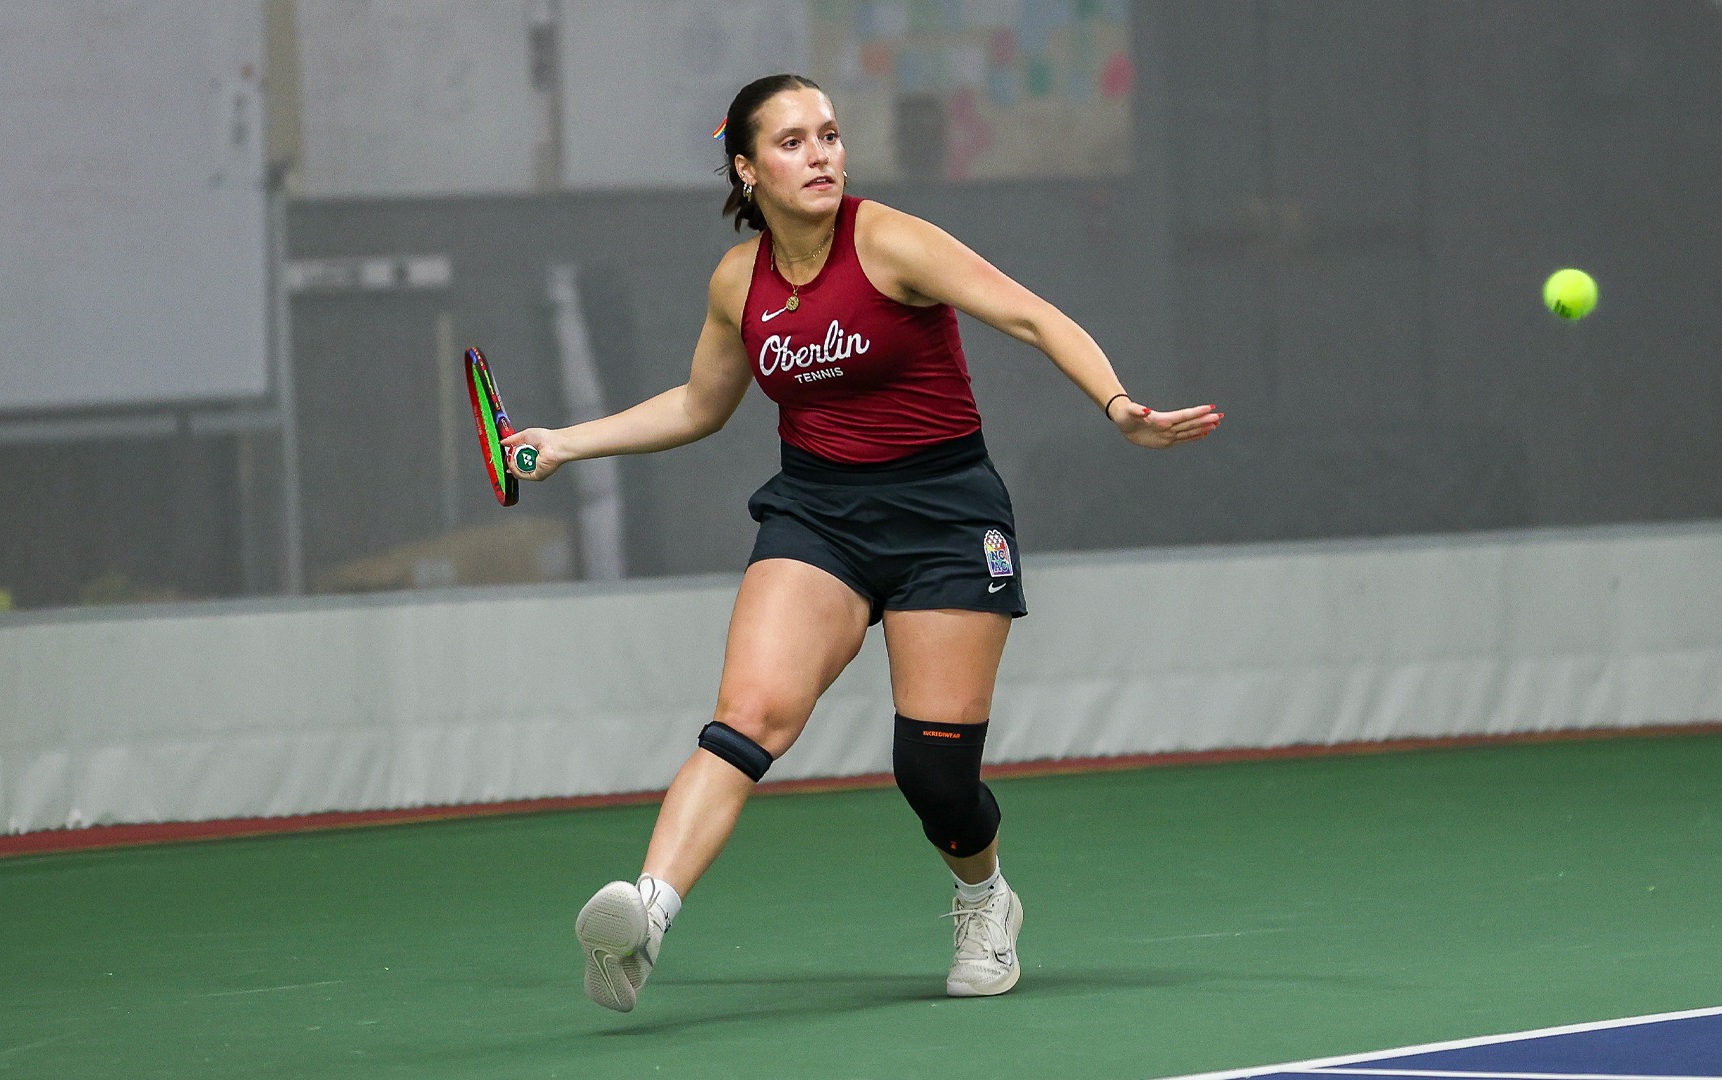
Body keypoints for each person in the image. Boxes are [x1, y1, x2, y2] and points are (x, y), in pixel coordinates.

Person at [501, 73, 1221, 1014]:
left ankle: (984, 897)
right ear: (747, 168)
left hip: (946, 521)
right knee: (748, 716)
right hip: (819, 517)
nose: (821, 155)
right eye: (793, 141)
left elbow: (1030, 314)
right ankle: (647, 917)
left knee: (933, 771)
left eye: (830, 136)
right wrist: (565, 441)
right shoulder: (739, 282)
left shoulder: (889, 241)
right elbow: (699, 406)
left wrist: (1120, 406)